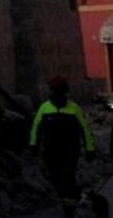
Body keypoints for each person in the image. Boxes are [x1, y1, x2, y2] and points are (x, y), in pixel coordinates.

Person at [29, 76, 96, 217]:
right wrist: (33, 145)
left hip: (70, 152)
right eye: (55, 91)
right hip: (51, 152)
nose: (57, 94)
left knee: (67, 178)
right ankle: (71, 198)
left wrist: (90, 149)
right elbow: (36, 128)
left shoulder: (74, 109)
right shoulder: (45, 108)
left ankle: (69, 209)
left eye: (60, 91)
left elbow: (86, 130)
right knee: (56, 178)